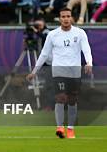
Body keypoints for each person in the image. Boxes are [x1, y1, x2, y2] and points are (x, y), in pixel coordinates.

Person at [28, 8, 93, 139]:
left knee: (72, 101)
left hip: (74, 71)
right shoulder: (52, 35)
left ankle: (70, 129)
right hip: (58, 70)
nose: (65, 19)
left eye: (68, 16)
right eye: (63, 16)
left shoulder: (80, 33)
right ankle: (59, 128)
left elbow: (86, 49)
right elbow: (44, 54)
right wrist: (34, 71)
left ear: (72, 18)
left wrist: (89, 62)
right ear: (59, 18)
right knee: (60, 98)